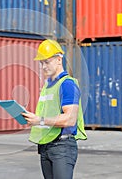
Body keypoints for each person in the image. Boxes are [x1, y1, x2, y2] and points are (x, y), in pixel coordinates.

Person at [22, 39, 87, 179]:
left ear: (59, 59)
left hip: (62, 147)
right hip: (46, 146)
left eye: (47, 62)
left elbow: (70, 119)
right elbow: (47, 116)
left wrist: (39, 120)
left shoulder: (67, 84)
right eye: (41, 63)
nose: (44, 66)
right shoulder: (48, 87)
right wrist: (32, 119)